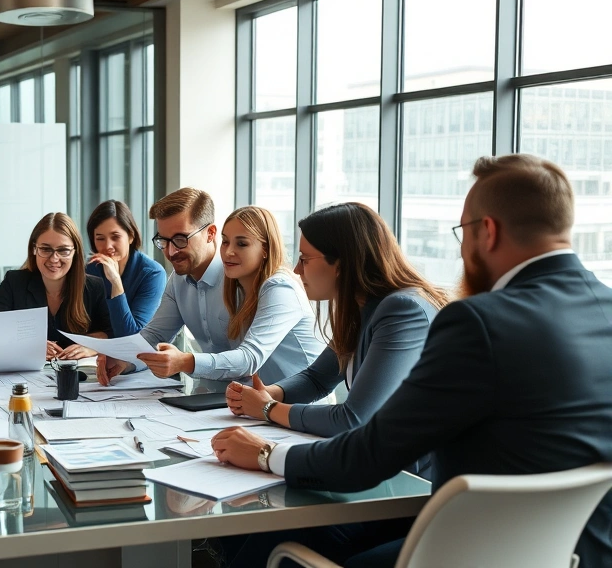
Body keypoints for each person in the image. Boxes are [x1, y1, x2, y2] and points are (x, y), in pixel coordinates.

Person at [212, 155, 612, 568]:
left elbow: (369, 452)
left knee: (272, 543)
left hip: (471, 550)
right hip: (576, 553)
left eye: (462, 231)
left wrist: (266, 454)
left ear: (488, 232)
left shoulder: (478, 321)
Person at [225, 202, 447, 442]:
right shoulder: (362, 307)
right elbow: (317, 379)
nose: (297, 270)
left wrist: (268, 409)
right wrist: (268, 393)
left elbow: (354, 418)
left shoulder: (402, 310)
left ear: (340, 264)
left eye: (304, 259)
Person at [98, 190, 322, 391]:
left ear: (210, 233)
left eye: (180, 239)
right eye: (163, 241)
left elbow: (248, 359)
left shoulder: (270, 284)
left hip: (294, 403)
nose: (170, 251)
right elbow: (154, 336)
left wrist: (185, 361)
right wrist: (123, 360)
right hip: (235, 400)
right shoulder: (183, 279)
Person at [0, 212, 113, 360]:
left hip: (78, 371)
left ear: (75, 252)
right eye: (46, 249)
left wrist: (91, 345)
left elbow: (110, 332)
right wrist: (27, 345)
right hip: (28, 371)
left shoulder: (94, 287)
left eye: (63, 250)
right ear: (34, 249)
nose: (54, 259)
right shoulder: (14, 282)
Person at [85, 200, 167, 337]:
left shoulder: (153, 274)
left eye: (115, 237)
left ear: (130, 236)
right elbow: (83, 325)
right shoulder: (90, 270)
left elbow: (132, 335)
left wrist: (115, 282)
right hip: (98, 350)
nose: (108, 246)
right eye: (100, 239)